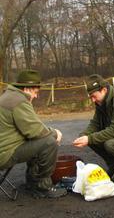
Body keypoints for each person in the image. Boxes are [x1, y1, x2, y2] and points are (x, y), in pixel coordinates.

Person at [0, 70, 67, 198]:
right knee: (49, 143)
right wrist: (55, 133)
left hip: (4, 149)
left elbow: (32, 127)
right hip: (4, 154)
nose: (36, 96)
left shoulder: (9, 96)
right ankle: (42, 187)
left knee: (39, 142)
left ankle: (32, 183)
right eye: (36, 92)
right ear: (27, 88)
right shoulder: (18, 101)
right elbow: (35, 131)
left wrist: (49, 131)